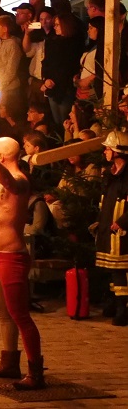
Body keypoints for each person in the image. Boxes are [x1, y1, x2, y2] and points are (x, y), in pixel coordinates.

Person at [0, 133, 45, 390]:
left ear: (1, 156)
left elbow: (6, 179)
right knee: (3, 314)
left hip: (12, 257)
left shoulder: (19, 180)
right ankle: (9, 363)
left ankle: (36, 372)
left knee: (20, 316)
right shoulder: (5, 177)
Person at [94, 129, 128, 326]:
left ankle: (123, 308)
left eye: (107, 148)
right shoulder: (112, 174)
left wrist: (122, 222)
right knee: (111, 269)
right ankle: (116, 303)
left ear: (117, 150)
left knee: (120, 270)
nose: (105, 152)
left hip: (122, 231)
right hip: (109, 228)